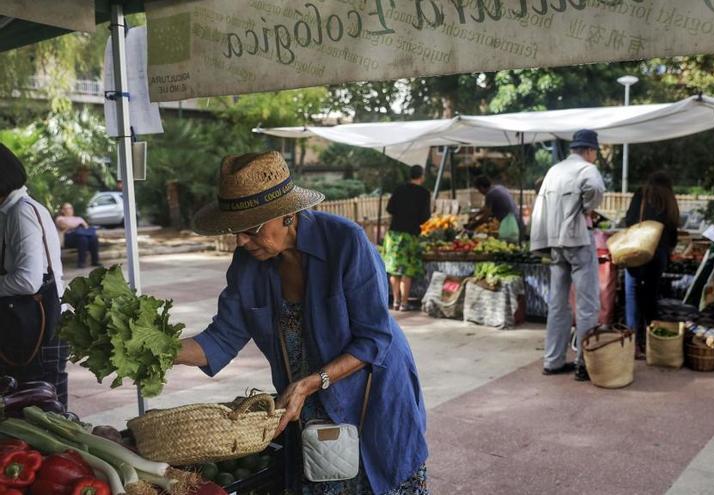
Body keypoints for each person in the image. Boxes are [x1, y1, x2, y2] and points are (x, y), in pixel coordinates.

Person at [175, 151, 429, 494]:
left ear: (288, 216)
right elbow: (219, 340)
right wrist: (160, 349)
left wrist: (312, 382)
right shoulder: (247, 264)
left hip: (370, 392)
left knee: (377, 477)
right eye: (236, 231)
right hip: (306, 400)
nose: (240, 241)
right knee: (322, 477)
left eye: (250, 229)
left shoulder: (346, 242)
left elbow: (374, 339)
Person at [529, 129, 606, 382]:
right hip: (576, 238)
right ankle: (584, 363)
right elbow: (595, 188)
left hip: (555, 241)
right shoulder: (586, 169)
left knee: (557, 303)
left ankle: (553, 361)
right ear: (590, 150)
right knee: (587, 304)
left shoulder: (555, 170)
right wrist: (586, 208)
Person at [0, 143, 68, 405]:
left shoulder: (21, 213)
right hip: (31, 328)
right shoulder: (13, 211)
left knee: (47, 413)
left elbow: (28, 281)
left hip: (40, 330)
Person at [624, 171, 680, 358]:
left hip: (638, 251)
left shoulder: (642, 194)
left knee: (632, 291)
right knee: (651, 295)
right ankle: (652, 341)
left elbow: (630, 220)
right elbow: (673, 231)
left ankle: (633, 342)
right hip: (659, 254)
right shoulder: (669, 200)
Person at [383, 165, 431, 311]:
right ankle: (404, 303)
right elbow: (425, 216)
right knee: (407, 270)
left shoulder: (399, 189)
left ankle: (396, 302)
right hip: (410, 234)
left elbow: (390, 208)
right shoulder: (424, 193)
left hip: (393, 234)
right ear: (421, 176)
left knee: (394, 268)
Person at [466, 176, 524, 241]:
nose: (479, 192)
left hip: (511, 225)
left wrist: (472, 226)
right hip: (518, 221)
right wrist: (476, 215)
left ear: (481, 187)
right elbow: (486, 207)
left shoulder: (490, 194)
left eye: (478, 190)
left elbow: (485, 218)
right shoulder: (499, 188)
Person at [55, 202, 101, 268]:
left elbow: (86, 228)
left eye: (71, 208)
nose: (70, 210)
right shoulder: (60, 218)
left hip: (81, 236)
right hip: (68, 238)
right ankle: (81, 262)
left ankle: (95, 261)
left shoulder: (78, 218)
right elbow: (63, 226)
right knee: (82, 238)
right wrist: (78, 225)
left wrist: (75, 226)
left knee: (93, 237)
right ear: (62, 210)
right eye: (67, 208)